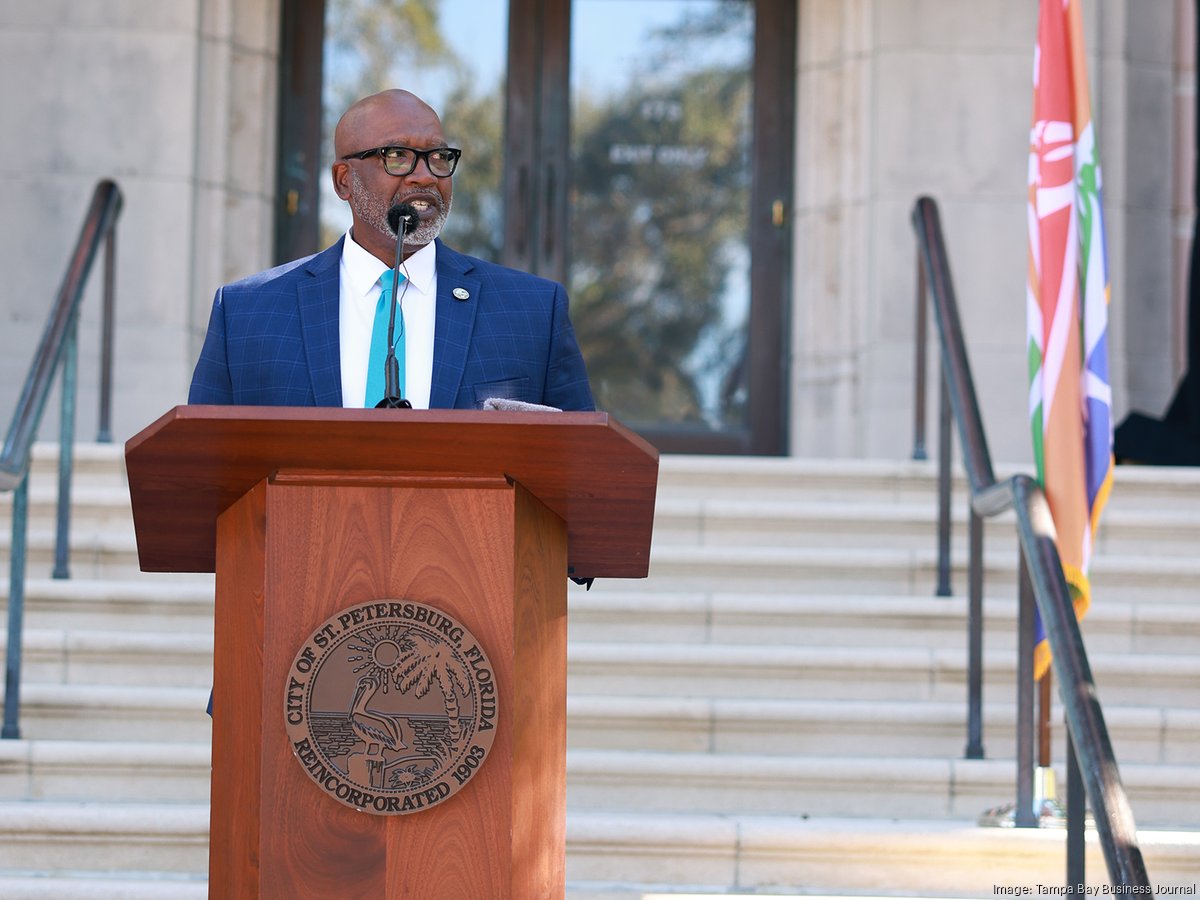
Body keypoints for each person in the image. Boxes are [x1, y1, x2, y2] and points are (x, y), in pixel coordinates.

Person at [188, 88, 593, 412]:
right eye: (397, 156)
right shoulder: (247, 312)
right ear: (344, 180)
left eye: (438, 157)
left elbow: (578, 472)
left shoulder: (533, 312)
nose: (425, 175)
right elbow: (205, 473)